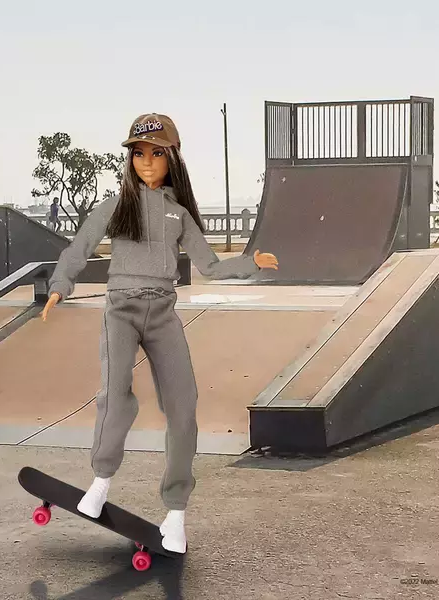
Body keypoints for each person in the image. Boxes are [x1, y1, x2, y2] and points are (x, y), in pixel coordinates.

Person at [41, 113, 278, 553]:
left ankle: (176, 513)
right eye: (138, 154)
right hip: (121, 310)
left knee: (183, 404)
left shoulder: (178, 215)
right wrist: (60, 285)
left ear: (172, 159)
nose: (146, 162)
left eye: (155, 153)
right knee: (115, 395)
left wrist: (250, 263)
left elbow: (210, 266)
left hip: (163, 313)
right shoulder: (117, 206)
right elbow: (80, 247)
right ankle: (101, 481)